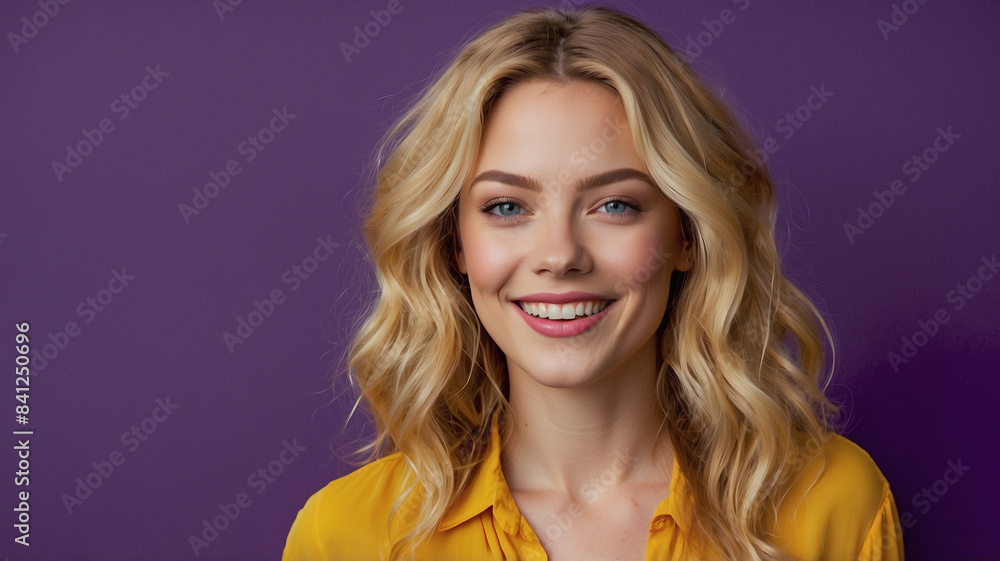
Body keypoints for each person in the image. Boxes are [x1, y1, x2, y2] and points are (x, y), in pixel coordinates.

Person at [283, 5, 904, 561]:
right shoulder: (347, 536)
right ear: (455, 244)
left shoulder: (831, 502)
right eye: (507, 207)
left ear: (688, 235)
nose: (560, 256)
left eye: (614, 205)